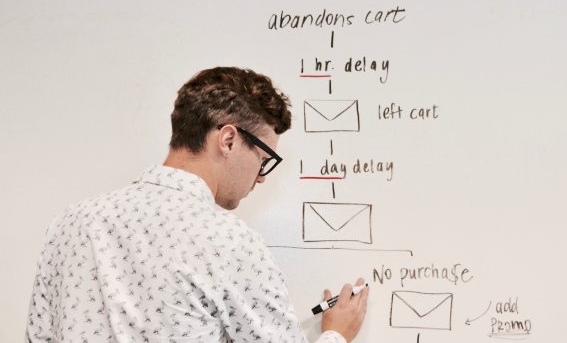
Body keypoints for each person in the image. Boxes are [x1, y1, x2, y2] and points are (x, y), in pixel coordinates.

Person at [26, 67, 369, 343]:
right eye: (263, 160)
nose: (260, 177)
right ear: (229, 140)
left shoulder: (70, 223)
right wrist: (337, 333)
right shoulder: (229, 242)